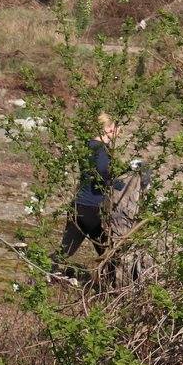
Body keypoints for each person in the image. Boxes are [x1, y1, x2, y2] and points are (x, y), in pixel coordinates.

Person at [58, 111, 122, 262]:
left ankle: (42, 275)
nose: (119, 131)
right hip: (93, 210)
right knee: (111, 256)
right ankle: (113, 284)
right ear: (108, 129)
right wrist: (117, 184)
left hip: (78, 205)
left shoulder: (88, 146)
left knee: (65, 251)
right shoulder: (101, 149)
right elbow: (101, 172)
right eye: (117, 127)